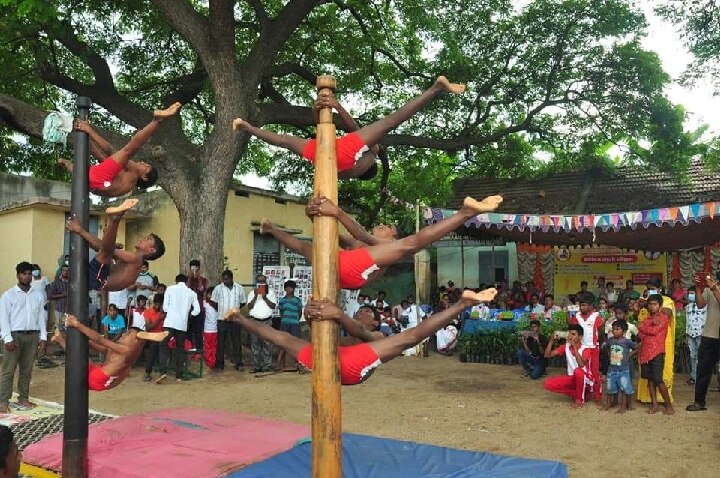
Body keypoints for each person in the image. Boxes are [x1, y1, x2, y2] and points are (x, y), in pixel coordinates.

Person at [224, 288, 497, 385]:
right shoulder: (342, 332)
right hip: (328, 360)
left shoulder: (376, 334)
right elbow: (319, 336)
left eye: (367, 311)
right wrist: (312, 312)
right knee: (279, 337)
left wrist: (337, 314)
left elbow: (358, 331)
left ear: (375, 319)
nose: (362, 312)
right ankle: (238, 318)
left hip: (355, 368)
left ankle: (462, 304)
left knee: (410, 336)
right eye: (361, 309)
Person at [232, 77, 464, 180]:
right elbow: (322, 128)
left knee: (390, 122)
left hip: (337, 154)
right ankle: (245, 126)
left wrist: (336, 105)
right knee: (283, 139)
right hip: (324, 157)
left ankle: (435, 88)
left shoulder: (369, 157)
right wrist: (321, 109)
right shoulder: (349, 172)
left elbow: (353, 129)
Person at [262, 194, 502, 291]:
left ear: (392, 237)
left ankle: (464, 213)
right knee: (306, 247)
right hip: (336, 267)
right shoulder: (358, 243)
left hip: (354, 274)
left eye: (387, 227)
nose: (382, 225)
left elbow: (365, 236)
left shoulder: (384, 248)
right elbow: (328, 234)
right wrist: (312, 213)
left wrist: (338, 212)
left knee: (412, 243)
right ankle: (270, 229)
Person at [57, 103, 181, 197]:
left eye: (146, 167)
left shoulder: (132, 176)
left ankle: (157, 120)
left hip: (96, 181)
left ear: (144, 177)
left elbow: (110, 150)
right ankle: (64, 162)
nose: (143, 163)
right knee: (74, 164)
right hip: (90, 182)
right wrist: (86, 138)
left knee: (129, 150)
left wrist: (89, 129)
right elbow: (101, 157)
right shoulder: (124, 180)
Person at [65, 199, 166, 292]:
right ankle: (114, 220)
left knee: (107, 249)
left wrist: (80, 230)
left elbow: (104, 248)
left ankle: (115, 219)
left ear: (151, 250)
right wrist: (108, 240)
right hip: (98, 278)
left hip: (99, 279)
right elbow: (100, 248)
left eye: (148, 239)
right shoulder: (132, 260)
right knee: (106, 249)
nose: (143, 238)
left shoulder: (135, 259)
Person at [51, 315, 167, 391]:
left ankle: (60, 340)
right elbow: (102, 348)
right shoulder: (121, 349)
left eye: (128, 334)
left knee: (80, 357)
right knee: (81, 353)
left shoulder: (128, 351)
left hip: (98, 379)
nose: (123, 335)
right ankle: (59, 339)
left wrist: (78, 325)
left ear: (137, 342)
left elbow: (100, 340)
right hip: (100, 375)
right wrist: (86, 341)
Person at [0, 262, 47, 412]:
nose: (27, 277)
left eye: (29, 274)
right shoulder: (9, 295)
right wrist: (7, 338)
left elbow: (41, 317)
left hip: (32, 336)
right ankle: (3, 402)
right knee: (8, 370)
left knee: (27, 370)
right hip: (14, 336)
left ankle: (23, 398)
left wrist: (43, 337)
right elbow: (3, 318)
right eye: (24, 274)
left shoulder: (38, 295)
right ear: (18, 275)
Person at [636, 277, 676, 405]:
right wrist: (640, 306)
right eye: (648, 289)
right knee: (647, 374)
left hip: (662, 341)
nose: (649, 291)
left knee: (661, 373)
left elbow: (666, 314)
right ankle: (648, 399)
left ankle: (665, 401)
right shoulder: (646, 302)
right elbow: (640, 319)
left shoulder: (667, 301)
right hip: (646, 342)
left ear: (660, 289)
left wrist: (649, 305)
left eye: (652, 289)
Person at [157, 274, 201, 384]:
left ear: (176, 280)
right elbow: (197, 310)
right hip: (182, 324)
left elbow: (165, 308)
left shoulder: (170, 289)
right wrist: (190, 314)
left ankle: (163, 371)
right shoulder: (191, 293)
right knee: (180, 348)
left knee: (163, 345)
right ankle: (179, 375)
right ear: (186, 281)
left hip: (170, 322)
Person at [686, 272, 720, 412]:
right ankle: (699, 402)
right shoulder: (709, 288)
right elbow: (700, 304)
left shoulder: (713, 288)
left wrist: (714, 290)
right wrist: (698, 287)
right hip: (709, 335)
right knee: (702, 370)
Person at [543, 324, 596, 408]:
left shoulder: (586, 348)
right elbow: (547, 355)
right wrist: (551, 341)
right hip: (572, 379)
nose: (570, 336)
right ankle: (580, 394)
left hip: (585, 380)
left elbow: (581, 365)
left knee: (578, 371)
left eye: (573, 334)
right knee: (548, 384)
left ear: (580, 337)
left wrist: (574, 347)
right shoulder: (566, 347)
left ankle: (579, 400)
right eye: (569, 334)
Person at [569, 293, 603, 402]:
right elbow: (572, 328)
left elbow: (601, 332)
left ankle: (597, 395)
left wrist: (598, 343)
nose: (581, 307)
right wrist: (568, 315)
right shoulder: (577, 316)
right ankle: (583, 393)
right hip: (582, 348)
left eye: (584, 305)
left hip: (593, 348)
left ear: (590, 305)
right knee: (581, 371)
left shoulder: (596, 316)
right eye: (580, 305)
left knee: (595, 371)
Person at [210, 270, 246, 372]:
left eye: (227, 279)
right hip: (222, 320)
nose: (225, 281)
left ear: (231, 278)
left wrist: (235, 311)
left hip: (235, 320)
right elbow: (213, 302)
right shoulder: (218, 288)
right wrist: (223, 312)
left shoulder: (239, 288)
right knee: (221, 343)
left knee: (236, 341)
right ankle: (219, 364)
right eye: (223, 279)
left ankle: (238, 363)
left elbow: (242, 302)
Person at [601, 320, 637, 413]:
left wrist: (629, 355)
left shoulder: (627, 341)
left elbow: (637, 348)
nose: (615, 331)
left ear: (624, 331)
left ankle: (623, 406)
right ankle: (608, 404)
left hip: (623, 370)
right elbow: (607, 348)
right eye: (613, 329)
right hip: (611, 369)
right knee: (609, 388)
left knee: (624, 389)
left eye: (617, 329)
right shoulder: (610, 341)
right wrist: (610, 357)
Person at [246, 274, 277, 373]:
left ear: (266, 282)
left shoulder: (271, 293)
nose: (261, 283)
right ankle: (257, 366)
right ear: (256, 282)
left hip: (267, 321)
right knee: (255, 344)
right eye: (259, 281)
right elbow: (249, 307)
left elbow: (273, 306)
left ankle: (266, 366)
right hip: (254, 321)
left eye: (263, 281)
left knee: (267, 344)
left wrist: (265, 297)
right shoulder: (251, 293)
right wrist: (256, 296)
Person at [277, 280, 303, 371]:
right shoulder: (282, 300)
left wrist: (295, 320)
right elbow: (281, 312)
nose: (289, 289)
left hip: (294, 324)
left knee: (295, 344)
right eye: (287, 287)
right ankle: (278, 364)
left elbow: (299, 312)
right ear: (284, 289)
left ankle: (299, 364)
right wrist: (285, 319)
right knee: (282, 344)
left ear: (294, 289)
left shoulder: (297, 300)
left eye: (291, 287)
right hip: (284, 323)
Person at [684, 285, 707, 386]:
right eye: (689, 294)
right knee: (692, 356)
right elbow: (687, 321)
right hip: (690, 334)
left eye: (693, 293)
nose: (690, 295)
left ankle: (701, 378)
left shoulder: (705, 306)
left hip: (701, 333)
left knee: (701, 357)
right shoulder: (687, 307)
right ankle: (693, 377)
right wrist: (686, 334)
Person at [142, 293, 165, 382]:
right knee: (154, 347)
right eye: (156, 304)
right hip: (152, 336)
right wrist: (159, 318)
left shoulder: (165, 313)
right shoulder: (148, 312)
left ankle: (162, 372)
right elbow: (148, 327)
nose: (157, 306)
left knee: (162, 347)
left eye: (159, 304)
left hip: (163, 336)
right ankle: (148, 372)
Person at [185, 259, 208, 350]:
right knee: (188, 331)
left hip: (199, 309)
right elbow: (186, 289)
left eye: (196, 268)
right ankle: (188, 349)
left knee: (198, 331)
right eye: (192, 268)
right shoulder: (186, 279)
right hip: (188, 309)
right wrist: (190, 277)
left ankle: (199, 351)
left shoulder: (203, 280)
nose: (194, 270)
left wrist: (198, 278)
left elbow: (201, 289)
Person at [203, 287, 219, 370]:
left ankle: (214, 362)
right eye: (210, 294)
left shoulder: (218, 305)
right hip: (207, 330)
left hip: (216, 330)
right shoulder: (205, 303)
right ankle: (209, 364)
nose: (211, 296)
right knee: (208, 347)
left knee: (215, 347)